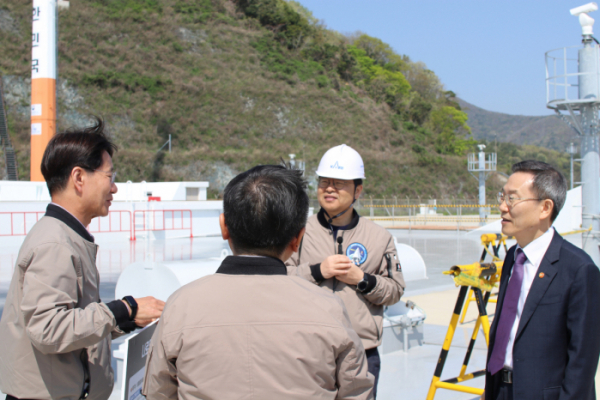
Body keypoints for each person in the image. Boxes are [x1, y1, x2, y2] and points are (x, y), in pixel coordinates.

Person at [143, 164, 374, 400]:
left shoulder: (181, 306)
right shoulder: (329, 308)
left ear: (224, 227)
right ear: (297, 239)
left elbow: (158, 392)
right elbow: (355, 392)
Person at [0, 119, 164, 400]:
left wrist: (127, 320)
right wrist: (121, 309)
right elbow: (48, 329)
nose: (114, 189)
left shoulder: (67, 236)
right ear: (79, 178)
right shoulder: (55, 244)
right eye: (109, 177)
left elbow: (74, 322)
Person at [286, 144, 405, 397]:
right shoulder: (298, 231)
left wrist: (362, 280)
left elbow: (395, 290)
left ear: (358, 190)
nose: (329, 188)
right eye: (324, 181)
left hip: (362, 352)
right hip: (307, 349)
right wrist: (318, 271)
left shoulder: (380, 237)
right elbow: (279, 278)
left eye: (339, 183)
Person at [483, 160, 600, 400]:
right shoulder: (512, 258)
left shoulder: (579, 269)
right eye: (502, 196)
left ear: (545, 208)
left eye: (512, 199)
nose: (503, 207)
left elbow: (583, 359)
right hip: (501, 389)